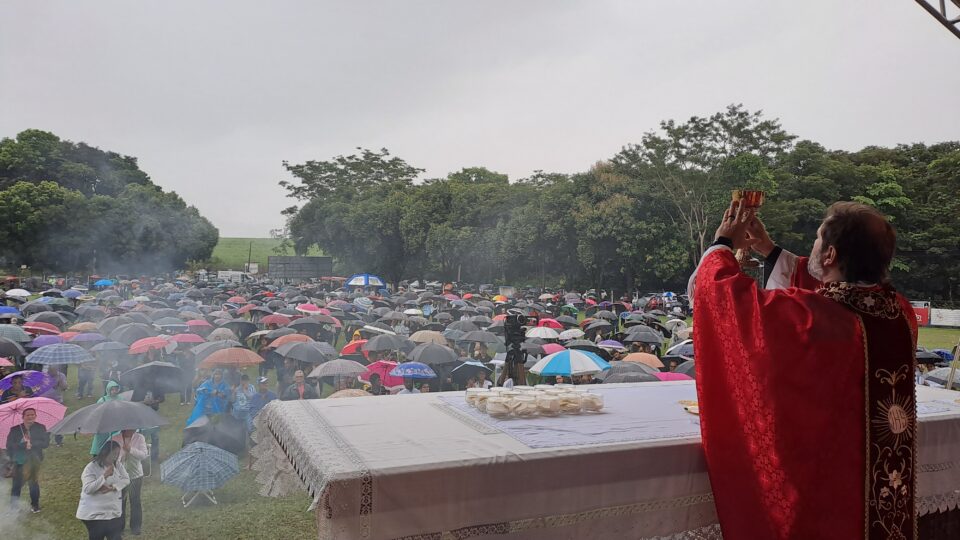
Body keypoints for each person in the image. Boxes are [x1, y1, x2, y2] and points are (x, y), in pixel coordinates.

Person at [690, 200, 917, 539]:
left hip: (827, 496)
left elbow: (724, 297)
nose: (811, 247)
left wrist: (722, 243)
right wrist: (769, 251)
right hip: (880, 496)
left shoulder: (812, 322)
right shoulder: (899, 314)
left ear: (830, 256)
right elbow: (840, 290)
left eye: (816, 239)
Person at [77, 440, 129, 540]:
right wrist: (104, 476)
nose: (116, 457)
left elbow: (126, 479)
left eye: (118, 454)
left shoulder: (117, 465)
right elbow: (88, 489)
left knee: (115, 537)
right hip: (95, 514)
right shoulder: (91, 468)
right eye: (114, 454)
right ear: (105, 452)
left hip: (112, 511)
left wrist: (113, 487)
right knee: (97, 536)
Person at [6, 408, 49, 512]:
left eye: (32, 415)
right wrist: (22, 445)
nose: (30, 417)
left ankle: (35, 506)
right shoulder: (15, 429)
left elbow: (45, 443)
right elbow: (9, 445)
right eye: (28, 415)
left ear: (35, 416)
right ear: (23, 417)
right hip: (19, 460)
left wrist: (32, 443)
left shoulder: (40, 427)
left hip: (34, 459)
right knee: (16, 484)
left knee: (33, 483)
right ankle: (14, 507)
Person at [110, 429, 147, 536]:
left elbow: (144, 455)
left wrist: (131, 449)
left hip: (135, 475)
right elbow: (112, 457)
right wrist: (121, 455)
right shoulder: (115, 438)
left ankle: (136, 527)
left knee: (135, 500)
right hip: (120, 476)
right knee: (120, 501)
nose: (134, 428)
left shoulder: (140, 437)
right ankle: (119, 527)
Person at [90, 381, 122, 456]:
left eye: (116, 389)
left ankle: (111, 455)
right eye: (112, 389)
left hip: (116, 425)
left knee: (114, 441)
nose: (114, 391)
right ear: (108, 390)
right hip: (104, 424)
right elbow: (97, 412)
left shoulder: (121, 399)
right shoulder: (102, 400)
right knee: (101, 440)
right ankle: (97, 454)